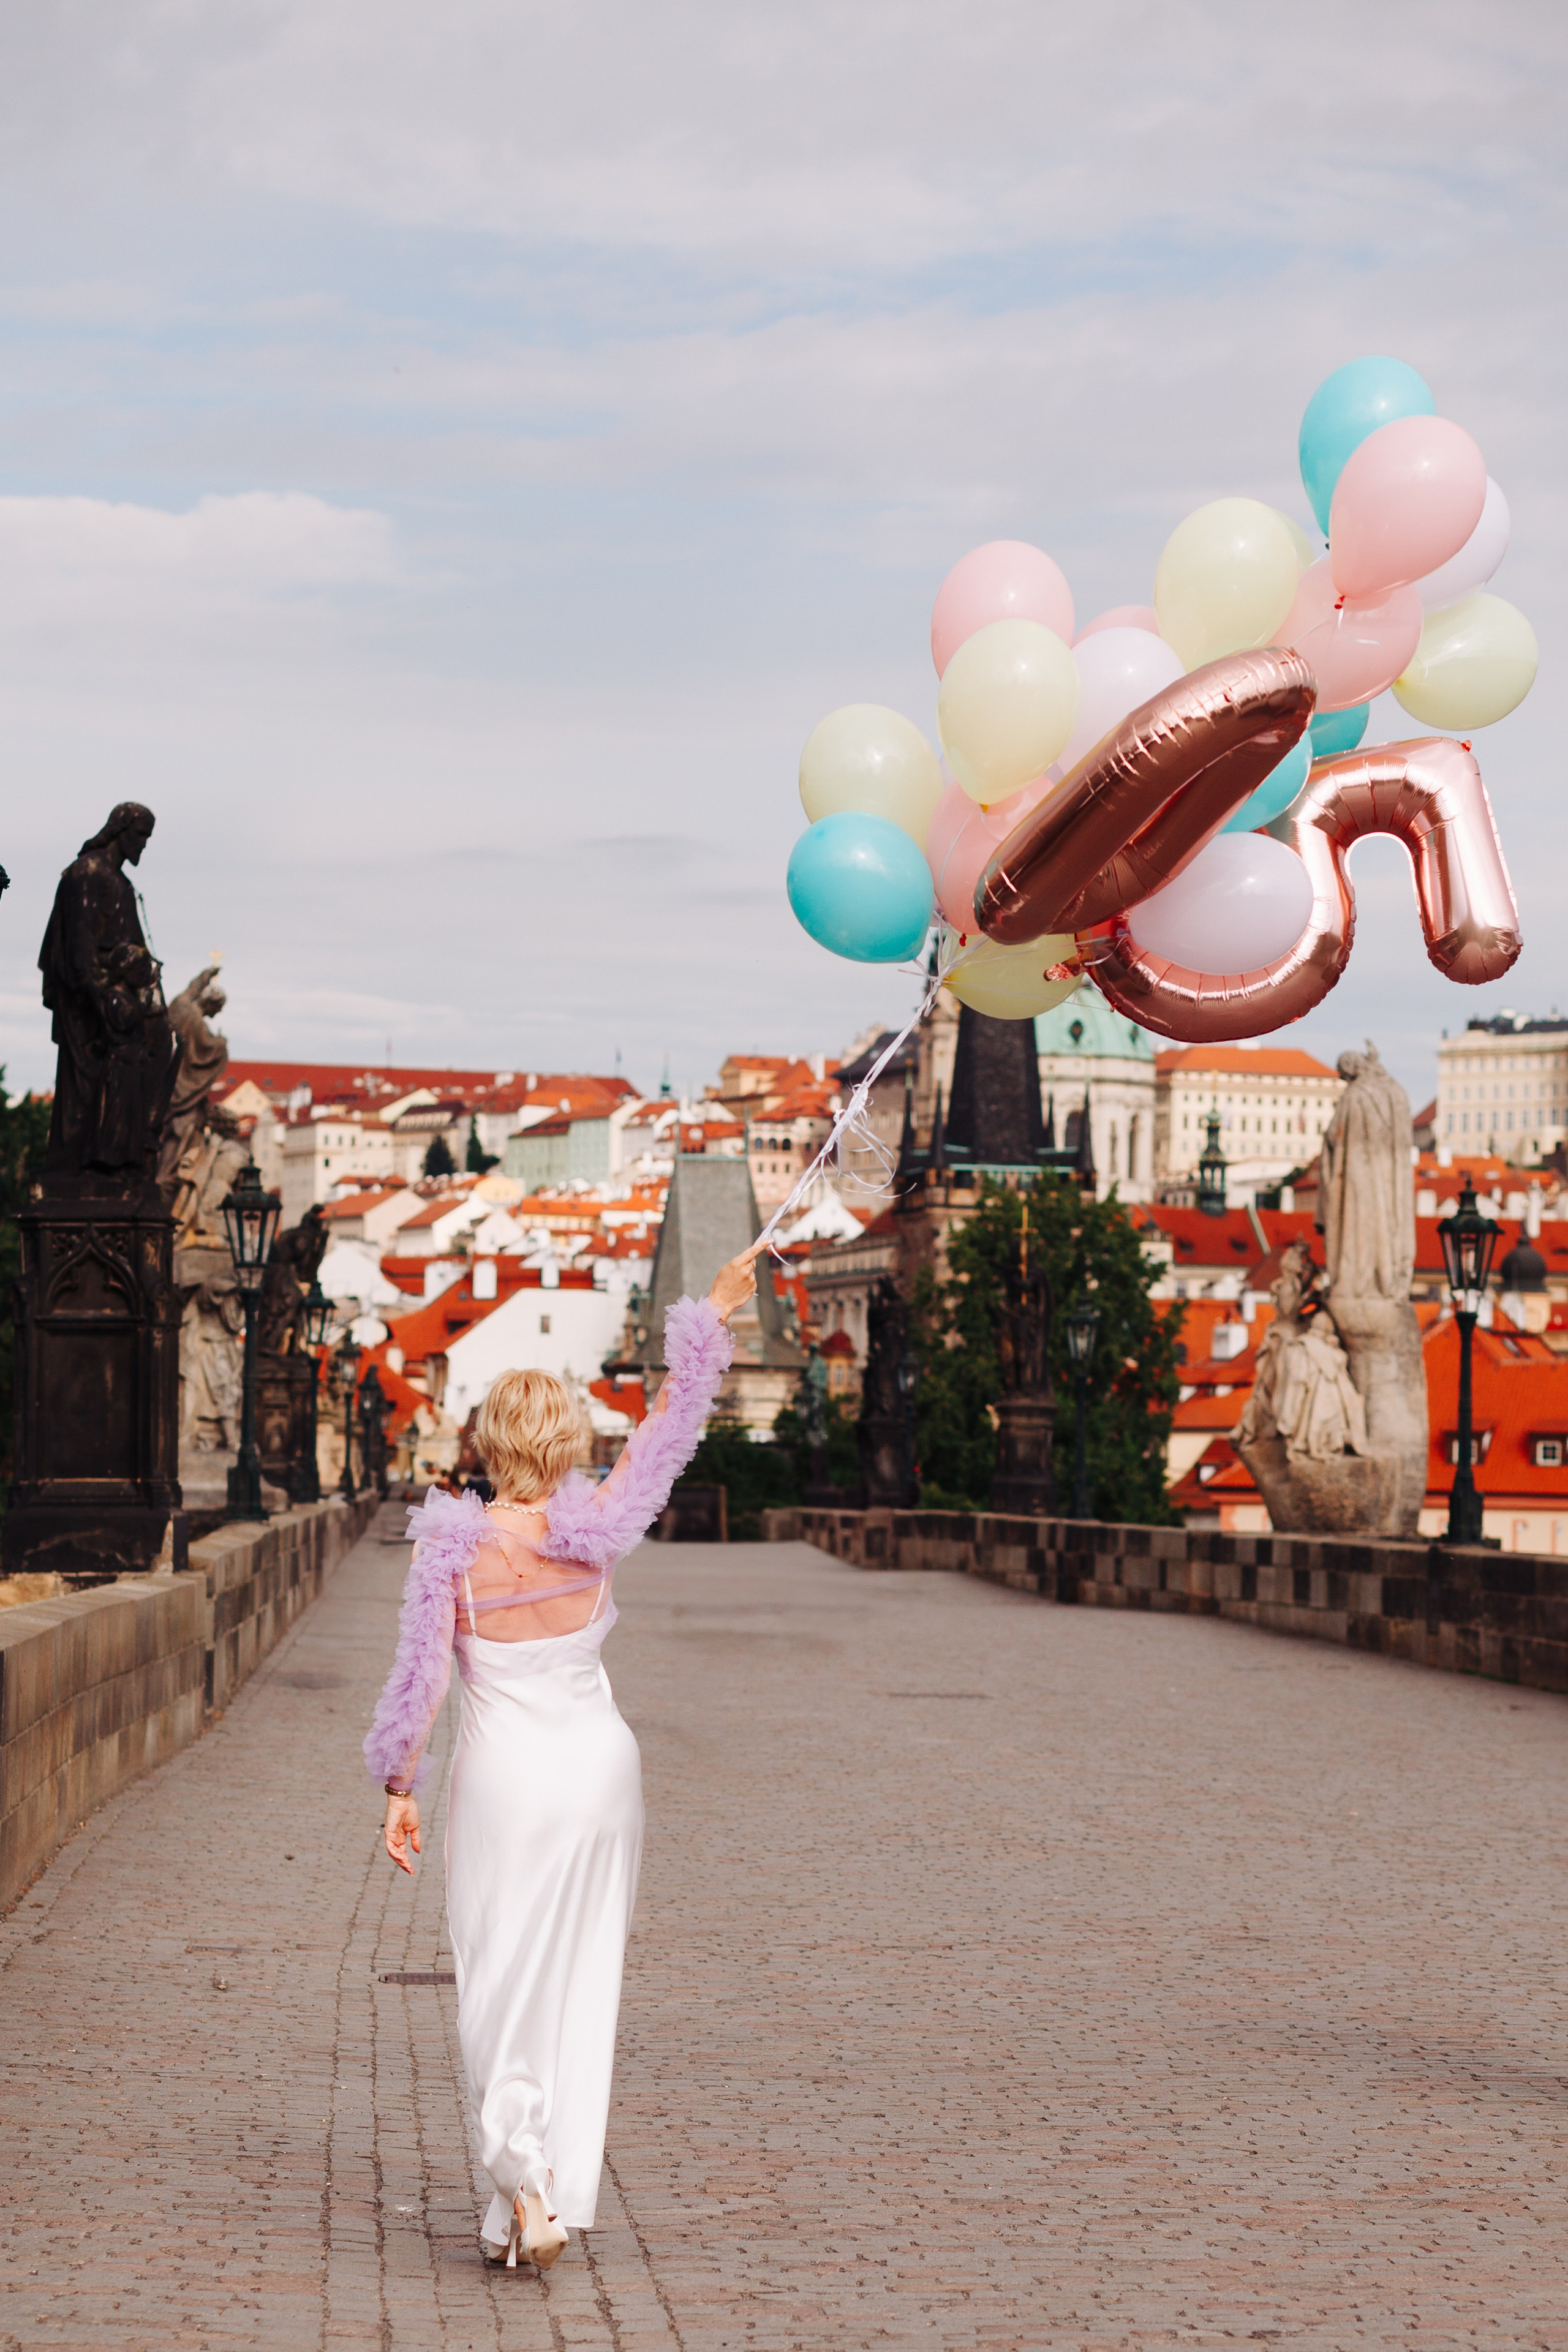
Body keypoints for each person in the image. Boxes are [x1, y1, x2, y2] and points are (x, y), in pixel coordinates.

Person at [363, 1245, 760, 2270]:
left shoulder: (452, 1549)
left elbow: (421, 1686)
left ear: (490, 1444)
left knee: (500, 1982)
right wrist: (709, 1317)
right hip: (601, 1781)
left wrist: (399, 1785)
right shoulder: (598, 1531)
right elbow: (669, 1434)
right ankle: (526, 2206)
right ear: (567, 1445)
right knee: (579, 1988)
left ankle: (522, 2182)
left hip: (509, 1787)